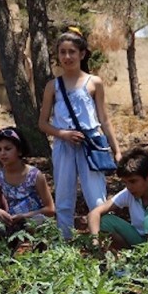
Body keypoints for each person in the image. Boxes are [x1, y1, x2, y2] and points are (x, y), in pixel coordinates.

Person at [38, 26, 121, 239]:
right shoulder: (52, 86)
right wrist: (63, 134)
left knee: (96, 197)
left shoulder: (94, 82)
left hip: (90, 144)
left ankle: (101, 241)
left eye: (72, 52)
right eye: (62, 52)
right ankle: (65, 244)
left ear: (82, 54)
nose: (67, 56)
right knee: (64, 199)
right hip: (63, 146)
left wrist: (116, 150)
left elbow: (104, 119)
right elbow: (43, 123)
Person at [87, 148, 148, 249]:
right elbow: (94, 213)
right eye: (125, 182)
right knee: (104, 221)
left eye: (133, 181)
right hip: (137, 241)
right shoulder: (128, 193)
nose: (129, 187)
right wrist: (95, 242)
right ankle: (130, 255)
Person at [0, 127, 55, 233]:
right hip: (11, 221)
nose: (2, 153)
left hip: (33, 219)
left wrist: (23, 216)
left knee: (37, 222)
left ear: (19, 151)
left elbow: (50, 209)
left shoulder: (35, 175)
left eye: (7, 149)